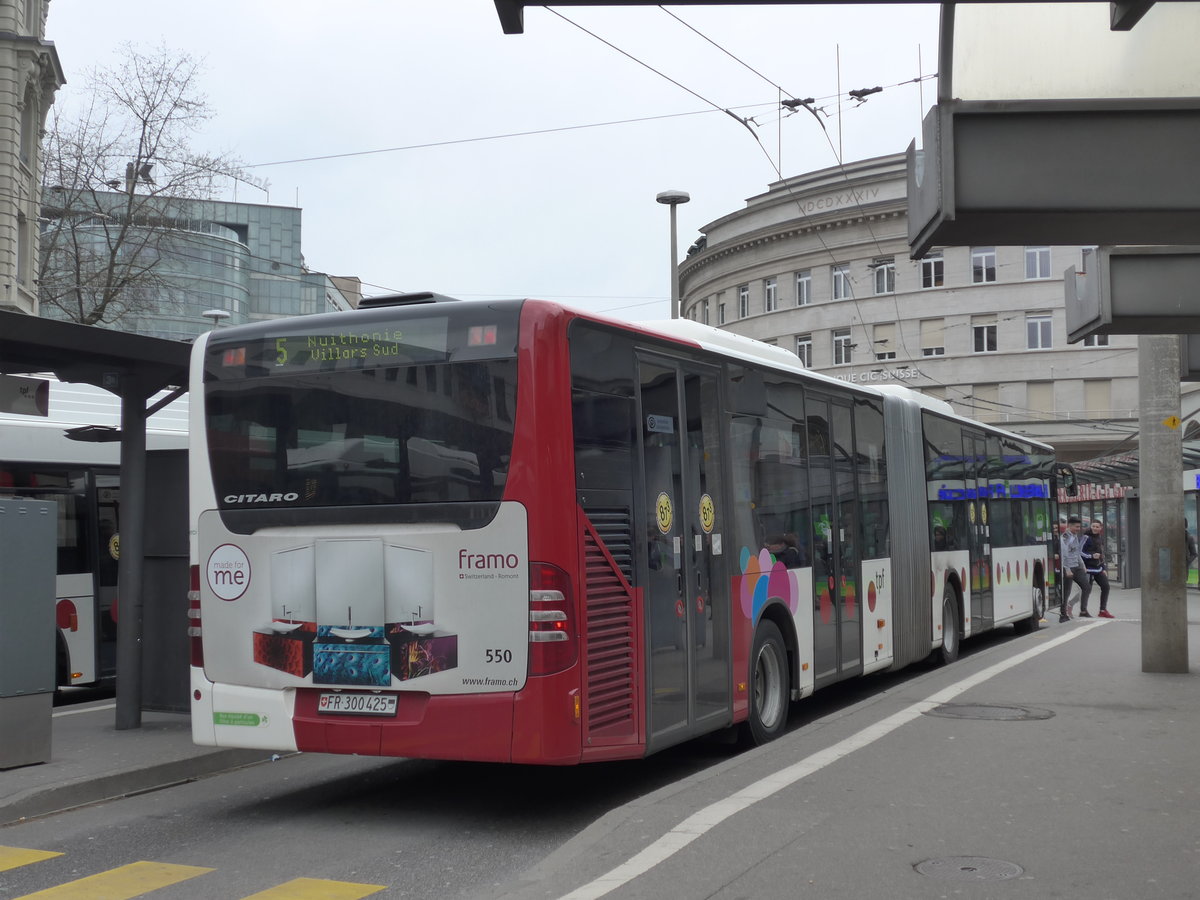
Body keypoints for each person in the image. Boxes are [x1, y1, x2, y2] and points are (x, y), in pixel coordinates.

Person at [1059, 515, 1091, 621]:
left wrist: (1083, 565)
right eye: (1076, 527)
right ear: (1070, 526)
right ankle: (1063, 614)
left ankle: (1083, 610)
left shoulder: (1075, 536)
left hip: (1077, 566)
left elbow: (1077, 552)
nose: (1078, 529)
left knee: (1086, 587)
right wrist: (1067, 569)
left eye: (1079, 527)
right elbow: (1064, 554)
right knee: (1066, 592)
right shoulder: (1065, 537)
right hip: (1068, 567)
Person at [1083, 520, 1113, 618]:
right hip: (1087, 569)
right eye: (1093, 526)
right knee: (1086, 590)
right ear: (1090, 526)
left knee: (1106, 586)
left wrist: (1103, 568)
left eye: (1097, 527)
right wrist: (1091, 556)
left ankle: (1102, 610)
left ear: (1100, 528)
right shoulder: (1085, 538)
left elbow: (1101, 554)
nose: (1095, 528)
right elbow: (1080, 552)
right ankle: (1081, 609)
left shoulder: (1100, 538)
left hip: (1098, 569)